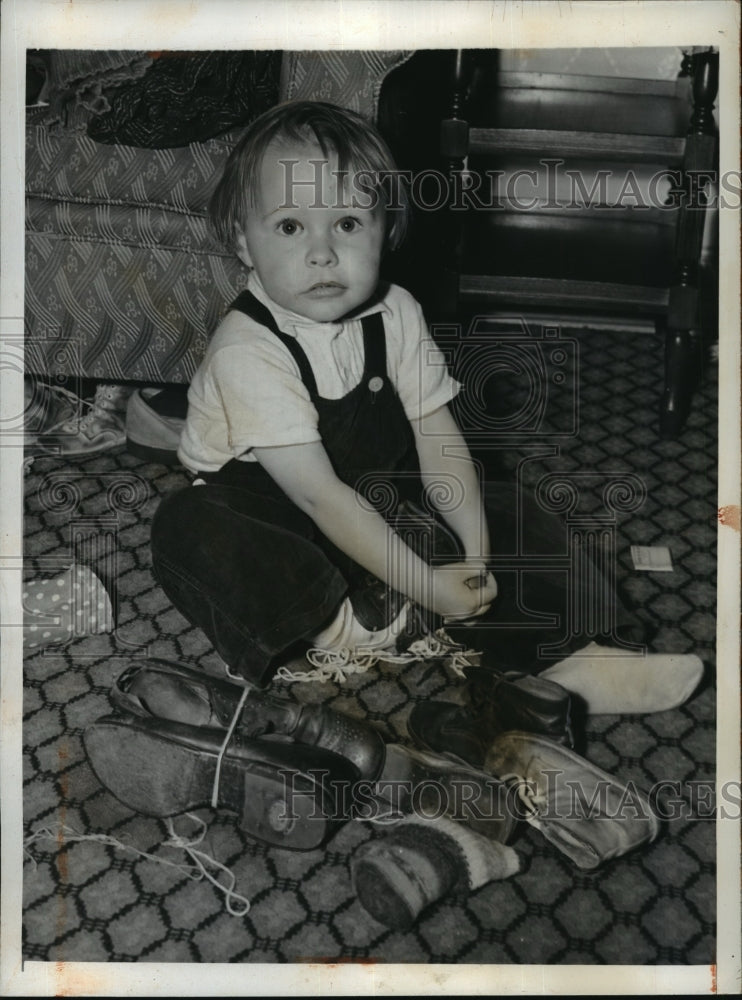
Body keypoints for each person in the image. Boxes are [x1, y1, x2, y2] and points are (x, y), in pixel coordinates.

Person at [150, 100, 702, 716]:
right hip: (284, 514)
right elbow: (318, 497)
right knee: (189, 529)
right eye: (288, 227)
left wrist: (473, 558)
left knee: (509, 502)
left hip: (381, 497)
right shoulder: (246, 349)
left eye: (349, 224)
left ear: (385, 228)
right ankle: (337, 631)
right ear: (242, 242)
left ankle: (581, 657)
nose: (323, 253)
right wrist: (427, 584)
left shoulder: (397, 312)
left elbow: (438, 439)